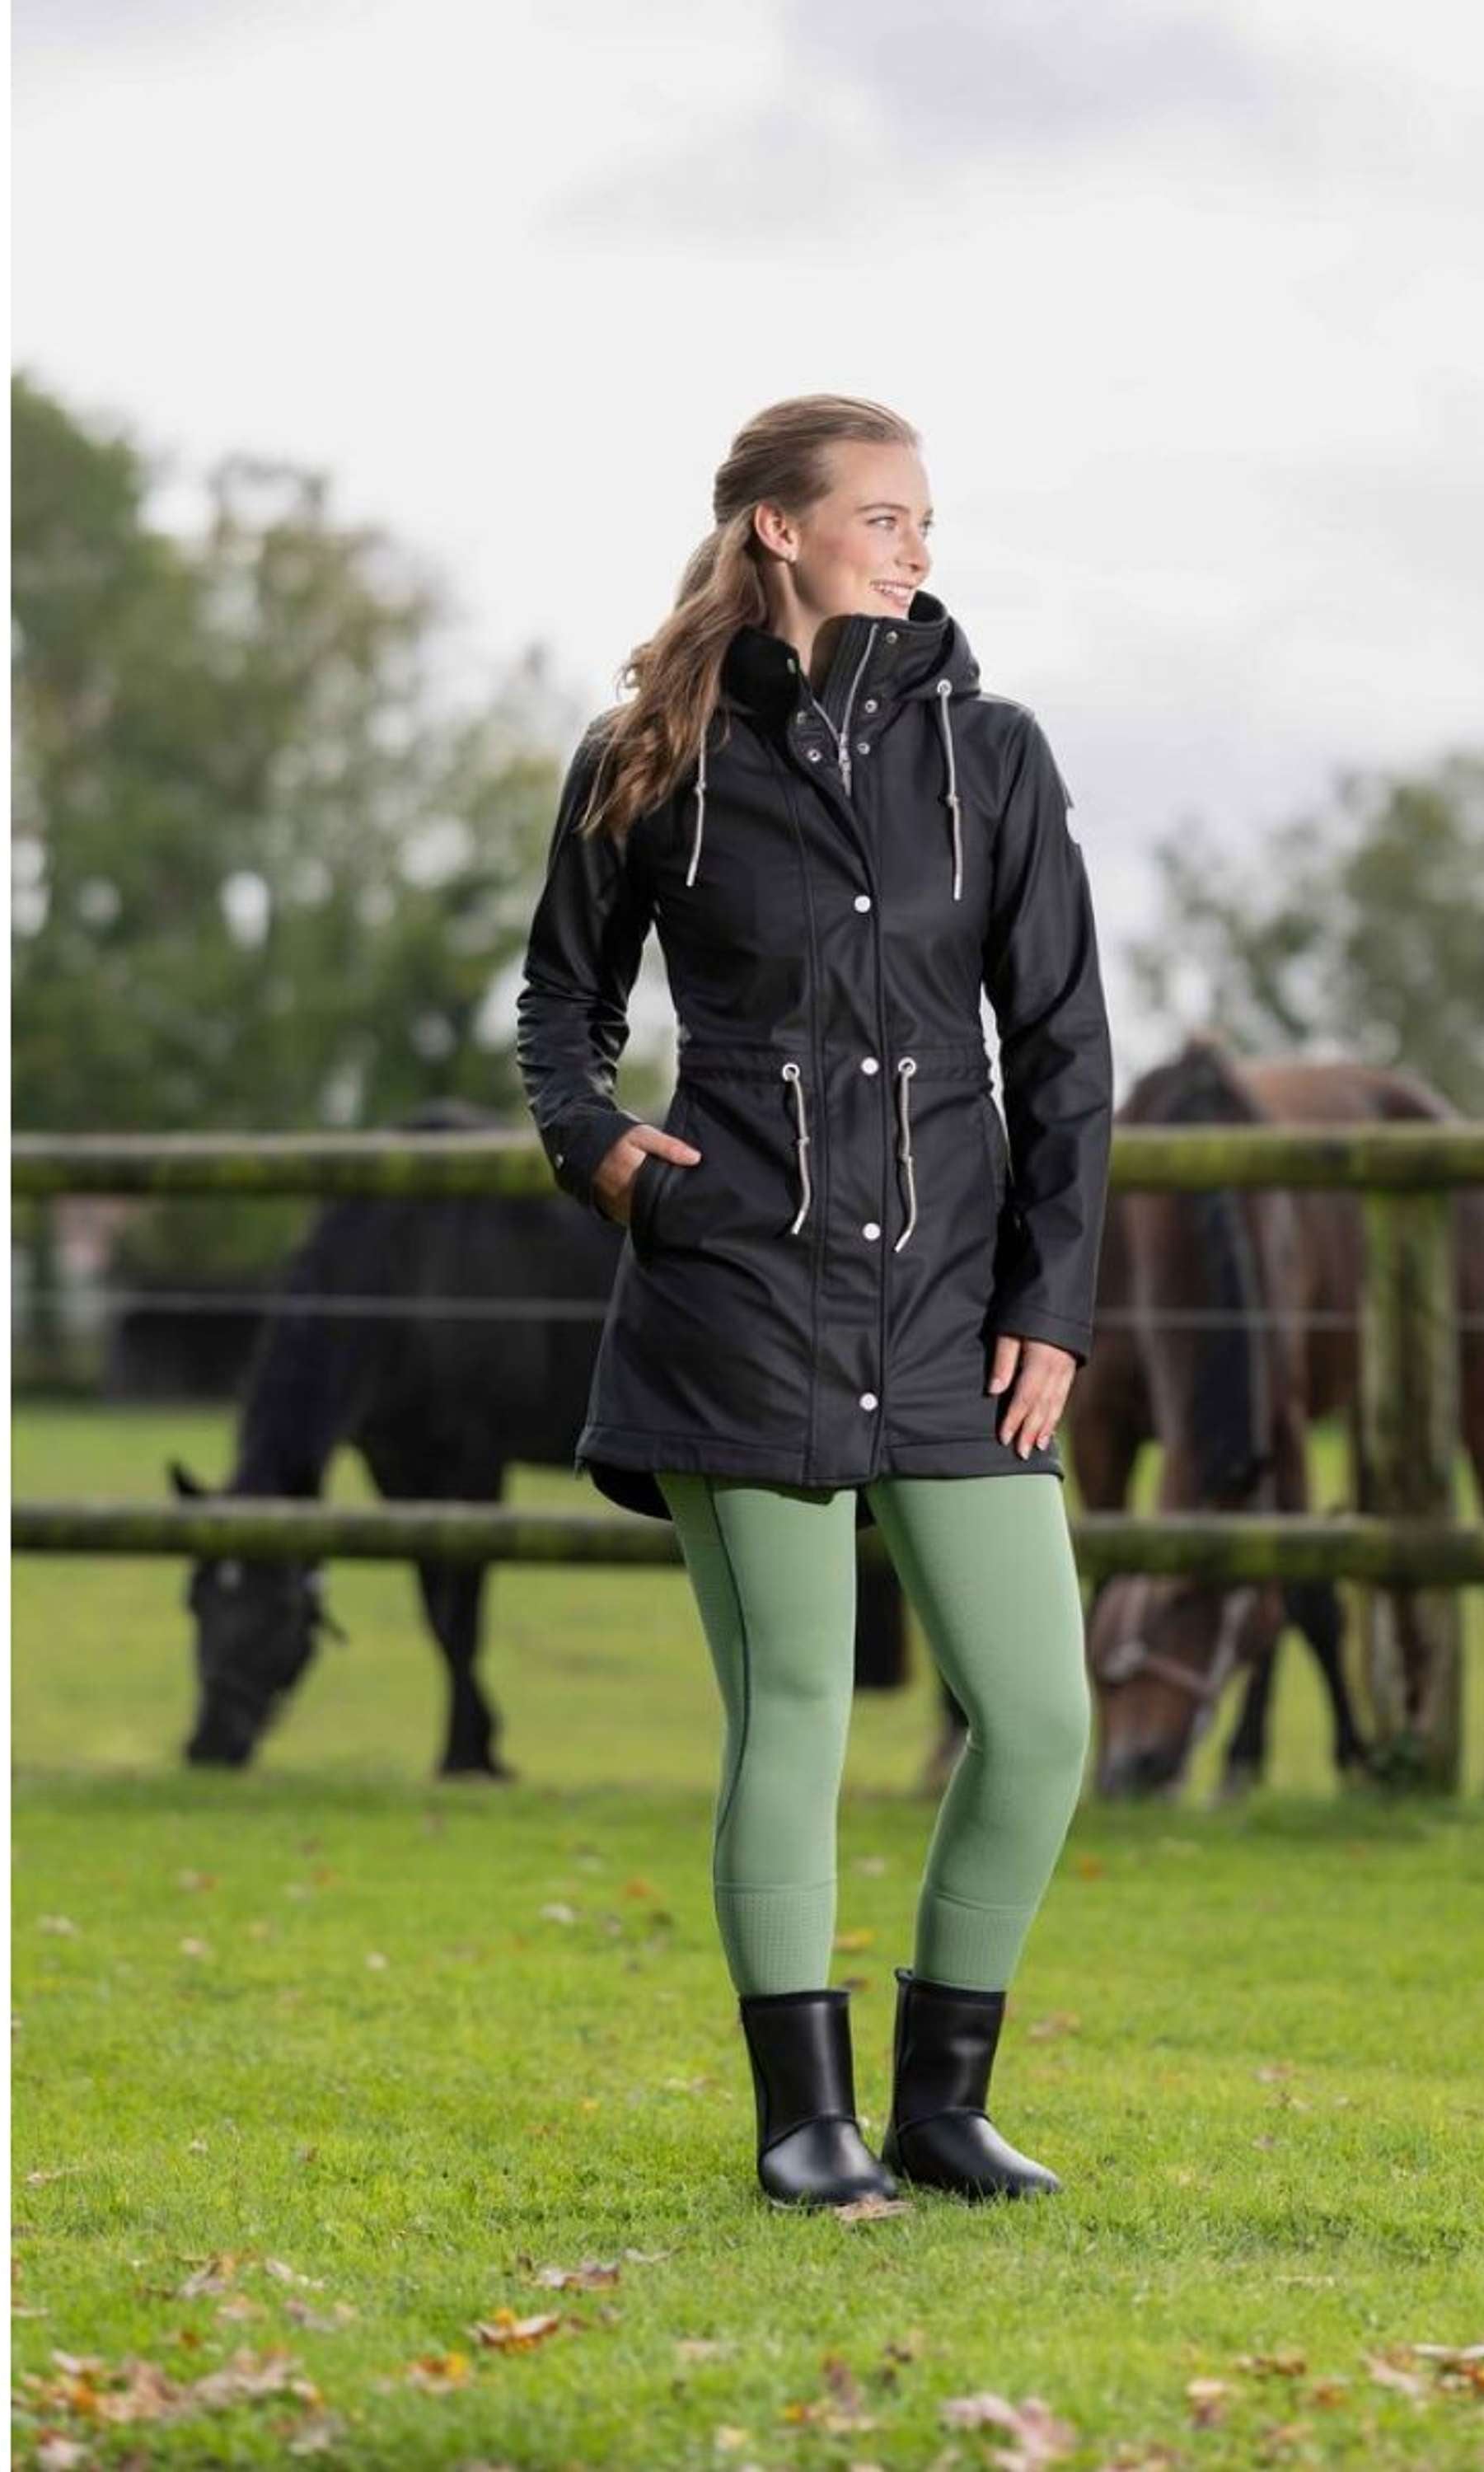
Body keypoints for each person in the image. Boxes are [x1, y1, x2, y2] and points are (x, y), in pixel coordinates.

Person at [514, 394, 1113, 2211]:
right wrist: (607, 1155)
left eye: (927, 520)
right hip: (741, 1296)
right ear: (782, 528)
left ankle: (939, 2108)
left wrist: (1051, 1304)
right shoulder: (650, 754)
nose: (918, 547)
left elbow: (1063, 1046)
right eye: (885, 514)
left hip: (949, 1308)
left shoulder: (991, 756)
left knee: (1042, 1719)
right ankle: (805, 2124)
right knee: (797, 1713)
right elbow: (561, 1007)